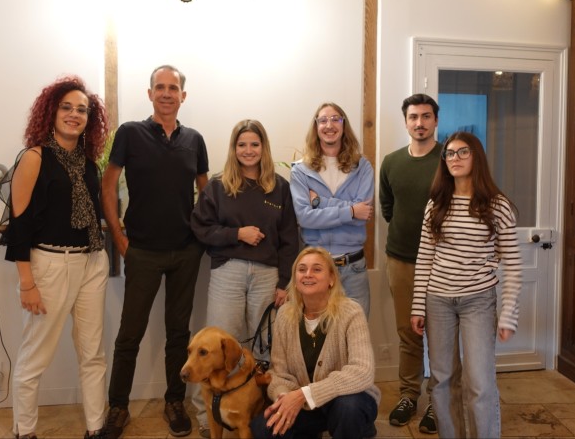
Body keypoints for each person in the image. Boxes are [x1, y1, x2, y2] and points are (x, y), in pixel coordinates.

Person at [0, 76, 110, 439]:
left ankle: (96, 428)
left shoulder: (88, 163)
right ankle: (25, 432)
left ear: (89, 119)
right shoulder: (34, 158)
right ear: (51, 112)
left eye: (82, 110)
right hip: (50, 264)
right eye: (66, 107)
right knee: (35, 356)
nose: (74, 115)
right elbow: (19, 225)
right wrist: (27, 283)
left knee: (92, 353)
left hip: (92, 262)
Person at [101, 65, 209, 439]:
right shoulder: (130, 133)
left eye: (173, 88)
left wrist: (202, 236)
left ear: (183, 96)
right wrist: (119, 237)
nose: (166, 93)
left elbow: (206, 192)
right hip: (142, 251)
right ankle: (118, 407)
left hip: (185, 252)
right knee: (129, 334)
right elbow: (108, 185)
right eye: (159, 87)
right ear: (150, 94)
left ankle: (174, 401)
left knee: (179, 333)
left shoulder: (194, 140)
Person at [190, 119, 299, 437]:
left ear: (263, 148)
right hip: (229, 272)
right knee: (216, 348)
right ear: (234, 148)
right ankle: (207, 415)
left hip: (267, 275)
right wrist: (237, 234)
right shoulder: (218, 186)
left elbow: (289, 238)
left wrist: (284, 282)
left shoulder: (279, 187)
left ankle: (264, 413)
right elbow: (200, 227)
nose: (248, 150)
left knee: (266, 348)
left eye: (254, 144)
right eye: (242, 145)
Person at [410, 131, 521, 438]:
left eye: (462, 152)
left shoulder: (497, 205)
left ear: (476, 157)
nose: (454, 158)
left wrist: (509, 314)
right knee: (442, 379)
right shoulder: (436, 204)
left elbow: (513, 264)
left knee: (480, 382)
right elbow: (425, 258)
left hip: (478, 300)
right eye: (449, 153)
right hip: (438, 300)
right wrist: (418, 306)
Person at [250, 247, 380, 439]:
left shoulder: (351, 312)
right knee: (263, 428)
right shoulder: (284, 315)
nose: (308, 274)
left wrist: (305, 394)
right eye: (302, 269)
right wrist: (285, 398)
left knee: (349, 408)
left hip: (347, 400)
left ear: (331, 279)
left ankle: (360, 427)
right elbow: (279, 373)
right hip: (305, 406)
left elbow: (362, 371)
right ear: (295, 279)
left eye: (317, 269)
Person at [379, 93, 449, 434]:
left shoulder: (449, 159)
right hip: (402, 261)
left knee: (441, 336)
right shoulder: (391, 162)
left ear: (436, 120)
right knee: (409, 333)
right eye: (413, 117)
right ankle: (409, 395)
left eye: (426, 116)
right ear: (406, 122)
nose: (419, 123)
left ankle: (439, 400)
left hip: (444, 263)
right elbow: (388, 208)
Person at [290, 103, 374, 317]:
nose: (329, 125)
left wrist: (320, 203)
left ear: (344, 125)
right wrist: (351, 210)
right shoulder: (301, 170)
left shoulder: (362, 167)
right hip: (315, 268)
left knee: (356, 332)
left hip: (353, 268)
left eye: (336, 119)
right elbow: (305, 218)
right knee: (318, 332)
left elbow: (362, 215)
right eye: (323, 120)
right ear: (316, 126)